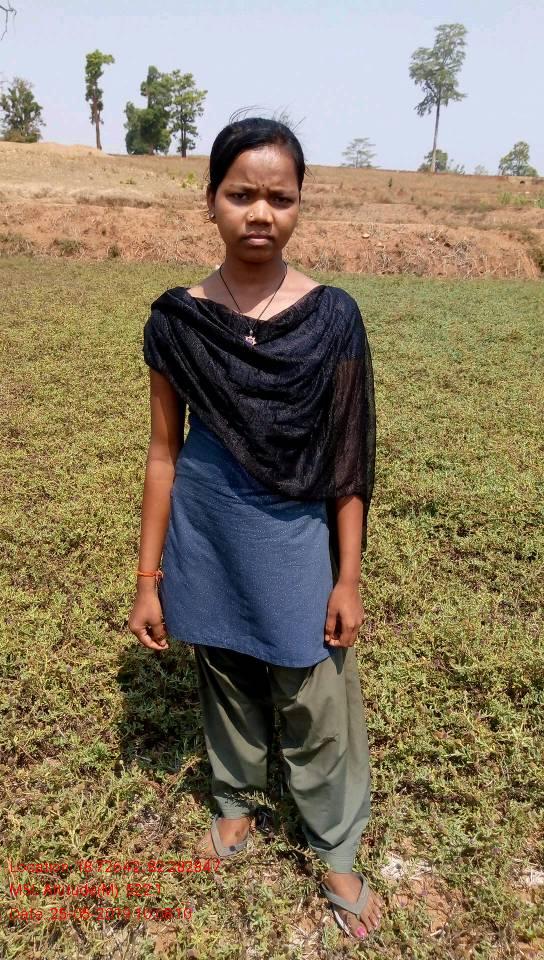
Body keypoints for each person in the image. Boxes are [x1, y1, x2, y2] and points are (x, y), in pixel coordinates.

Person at [128, 115, 383, 941]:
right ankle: (234, 802)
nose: (261, 212)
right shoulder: (178, 320)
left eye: (281, 197)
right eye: (242, 194)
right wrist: (149, 579)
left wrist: (347, 577)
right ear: (210, 201)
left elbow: (349, 458)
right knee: (227, 672)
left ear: (301, 205)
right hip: (207, 528)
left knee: (315, 694)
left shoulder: (332, 317)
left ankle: (335, 845)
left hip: (292, 534)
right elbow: (164, 453)